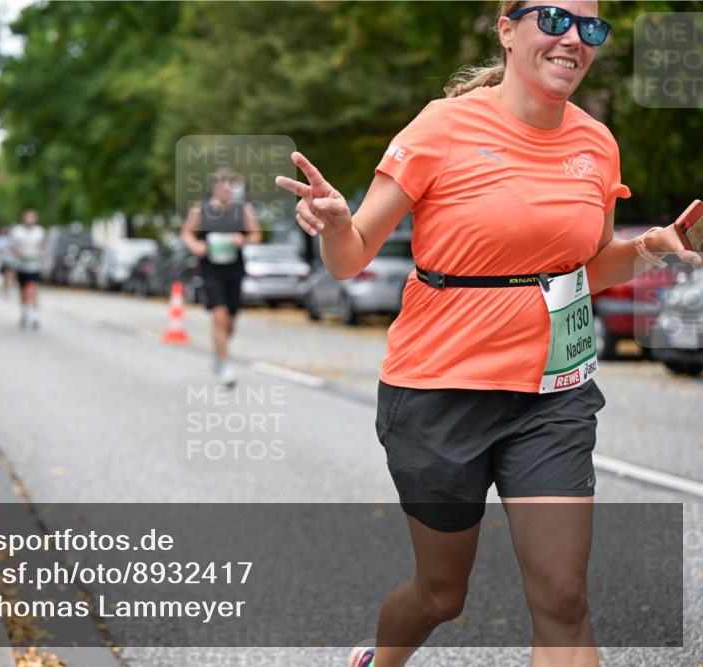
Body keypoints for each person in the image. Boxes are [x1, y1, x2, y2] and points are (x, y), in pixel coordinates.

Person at [275, 3, 702, 667]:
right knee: (441, 594)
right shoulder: (442, 128)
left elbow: (584, 267)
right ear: (507, 29)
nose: (573, 40)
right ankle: (379, 660)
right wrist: (335, 225)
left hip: (553, 395)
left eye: (591, 28)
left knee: (564, 599)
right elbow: (351, 257)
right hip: (437, 392)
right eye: (555, 19)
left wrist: (650, 246)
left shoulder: (596, 143)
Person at [180, 168, 262, 386]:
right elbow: (186, 233)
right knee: (219, 315)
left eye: (231, 186)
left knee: (231, 321)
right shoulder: (201, 209)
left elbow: (256, 235)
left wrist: (242, 240)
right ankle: (225, 365)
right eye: (223, 186)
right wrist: (196, 245)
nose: (227, 190)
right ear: (215, 188)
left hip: (234, 269)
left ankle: (219, 353)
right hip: (210, 269)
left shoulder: (243, 210)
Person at [11, 209, 46, 329]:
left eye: (32, 218)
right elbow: (12, 246)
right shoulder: (17, 231)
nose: (30, 220)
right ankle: (24, 311)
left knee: (33, 289)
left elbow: (42, 246)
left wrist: (40, 254)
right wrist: (20, 254)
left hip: (34, 266)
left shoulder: (39, 231)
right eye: (28, 217)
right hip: (21, 266)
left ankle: (35, 315)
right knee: (23, 291)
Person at [0, 225, 16, 296]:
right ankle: (6, 288)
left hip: (11, 259)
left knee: (10, 274)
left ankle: (8, 287)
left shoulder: (11, 239)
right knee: (5, 275)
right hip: (3, 260)